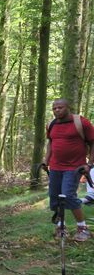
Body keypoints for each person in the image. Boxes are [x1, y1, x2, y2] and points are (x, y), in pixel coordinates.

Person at [43, 98, 94, 242]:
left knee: (68, 195)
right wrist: (46, 159)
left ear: (68, 107)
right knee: (54, 197)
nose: (57, 110)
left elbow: (92, 142)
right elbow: (51, 143)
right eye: (54, 108)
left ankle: (82, 228)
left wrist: (89, 164)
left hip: (74, 167)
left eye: (60, 107)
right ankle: (61, 227)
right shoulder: (51, 124)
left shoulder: (81, 122)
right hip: (55, 167)